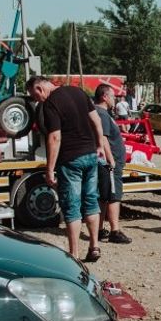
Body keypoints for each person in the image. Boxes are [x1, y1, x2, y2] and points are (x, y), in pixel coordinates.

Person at [26, 76, 115, 262]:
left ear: (40, 88)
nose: (36, 100)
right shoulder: (78, 92)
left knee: (72, 205)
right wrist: (99, 145)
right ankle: (94, 246)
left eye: (34, 96)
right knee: (91, 201)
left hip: (70, 159)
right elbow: (96, 120)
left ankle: (74, 255)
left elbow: (55, 138)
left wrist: (49, 169)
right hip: (90, 155)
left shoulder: (50, 103)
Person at [93, 83, 132, 245]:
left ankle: (100, 230)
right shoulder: (101, 114)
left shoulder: (103, 113)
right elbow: (103, 138)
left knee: (104, 196)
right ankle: (115, 231)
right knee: (113, 196)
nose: (115, 99)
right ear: (104, 96)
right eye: (113, 96)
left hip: (108, 162)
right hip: (109, 164)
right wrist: (111, 159)